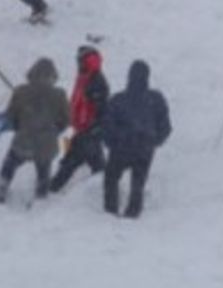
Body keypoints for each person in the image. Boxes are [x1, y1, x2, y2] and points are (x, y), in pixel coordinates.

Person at [0, 58, 69, 204]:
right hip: (45, 145)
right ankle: (40, 199)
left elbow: (11, 116)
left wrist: (20, 127)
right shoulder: (59, 95)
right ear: (53, 75)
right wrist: (53, 132)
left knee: (9, 164)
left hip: (23, 141)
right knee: (43, 171)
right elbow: (65, 120)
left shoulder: (20, 91)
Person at [102, 60, 171, 218]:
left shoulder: (118, 99)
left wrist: (112, 142)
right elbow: (165, 126)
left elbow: (107, 125)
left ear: (129, 76)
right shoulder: (156, 99)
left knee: (111, 178)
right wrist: (155, 141)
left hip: (121, 148)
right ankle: (133, 212)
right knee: (138, 182)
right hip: (144, 148)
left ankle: (110, 211)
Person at [50, 45, 108, 193]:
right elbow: (76, 103)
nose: (78, 64)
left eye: (80, 61)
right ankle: (51, 191)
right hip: (82, 130)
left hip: (90, 132)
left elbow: (102, 110)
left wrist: (95, 129)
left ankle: (51, 191)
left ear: (88, 61)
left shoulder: (96, 81)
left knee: (74, 162)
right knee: (90, 164)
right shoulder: (83, 77)